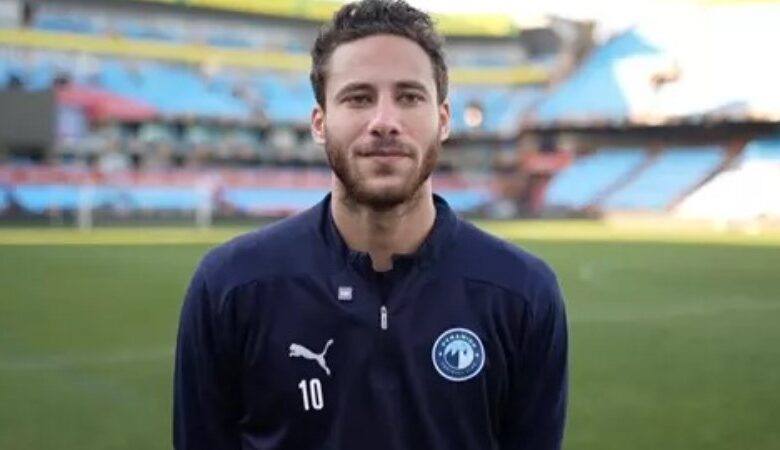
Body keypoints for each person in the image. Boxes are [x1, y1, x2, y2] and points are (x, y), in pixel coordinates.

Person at [173, 1, 568, 449]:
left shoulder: (522, 292)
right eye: (358, 98)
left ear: (442, 120)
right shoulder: (231, 286)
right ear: (320, 123)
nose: (385, 122)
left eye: (409, 97)